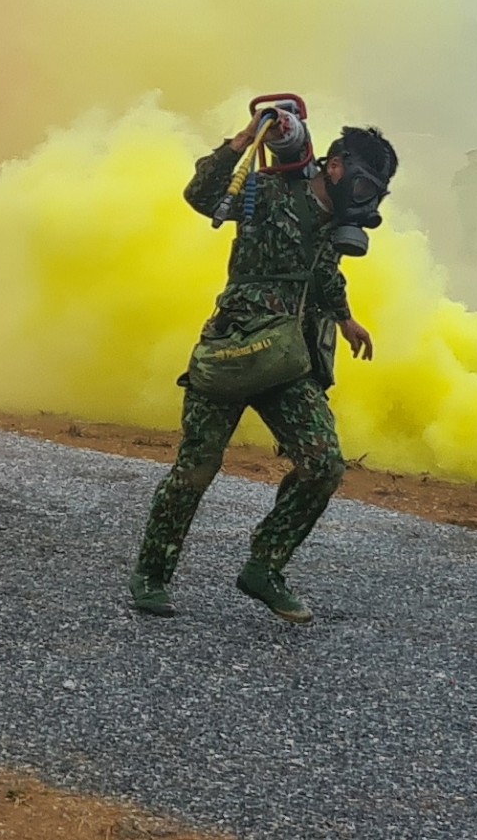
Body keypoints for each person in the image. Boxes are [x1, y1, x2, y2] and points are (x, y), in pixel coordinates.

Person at [129, 107, 393, 625]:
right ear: (335, 166)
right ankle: (151, 574)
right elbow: (201, 197)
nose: (365, 202)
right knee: (194, 471)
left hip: (289, 362)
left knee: (323, 465)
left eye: (375, 194)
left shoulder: (332, 225)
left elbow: (324, 273)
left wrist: (344, 318)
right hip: (234, 347)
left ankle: (264, 567)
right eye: (363, 186)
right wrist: (246, 139)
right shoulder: (269, 193)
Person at [451, 150, 477, 261]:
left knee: (473, 228)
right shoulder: (461, 173)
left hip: (475, 204)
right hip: (464, 204)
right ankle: (465, 250)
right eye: (474, 158)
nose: (476, 160)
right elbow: (453, 187)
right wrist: (465, 189)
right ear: (469, 159)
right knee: (466, 227)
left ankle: (468, 250)